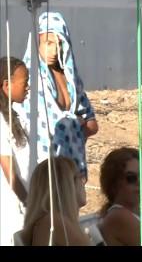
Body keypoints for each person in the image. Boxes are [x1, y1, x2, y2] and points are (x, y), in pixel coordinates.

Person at [15, 11, 98, 178]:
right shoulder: (31, 78)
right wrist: (75, 123)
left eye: (60, 44)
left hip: (73, 167)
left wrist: (72, 133)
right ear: (37, 41)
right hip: (44, 166)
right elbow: (44, 126)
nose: (54, 50)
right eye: (48, 43)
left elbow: (92, 124)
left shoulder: (71, 78)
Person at [21, 157, 91, 246]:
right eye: (80, 177)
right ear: (66, 185)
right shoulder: (53, 223)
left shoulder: (52, 222)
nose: (84, 182)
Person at [1, 57, 30, 245]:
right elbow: (10, 173)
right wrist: (31, 203)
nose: (28, 87)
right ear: (6, 85)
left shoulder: (16, 116)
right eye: (24, 82)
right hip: (11, 212)